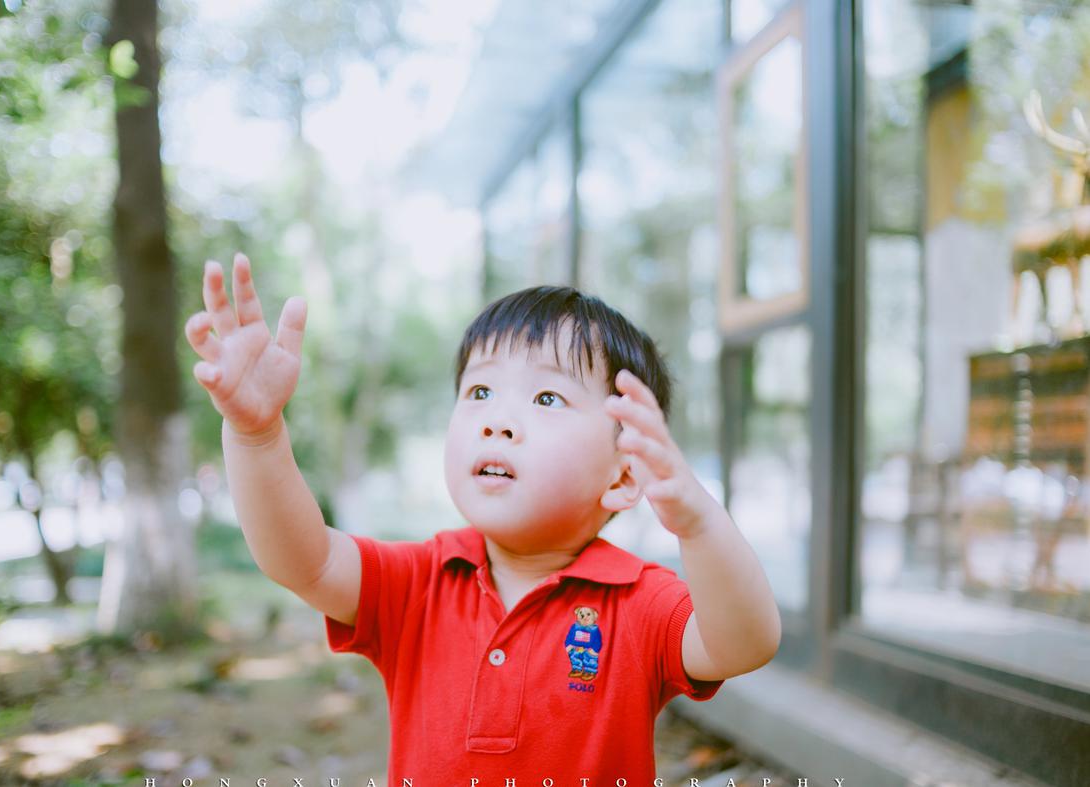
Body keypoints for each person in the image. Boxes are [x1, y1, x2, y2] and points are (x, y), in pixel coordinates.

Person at [185, 252, 782, 785]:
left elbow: (743, 645)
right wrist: (257, 435)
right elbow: (304, 560)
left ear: (623, 477)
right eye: (479, 393)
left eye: (546, 398)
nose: (497, 421)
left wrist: (699, 524)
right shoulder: (418, 583)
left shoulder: (638, 602)